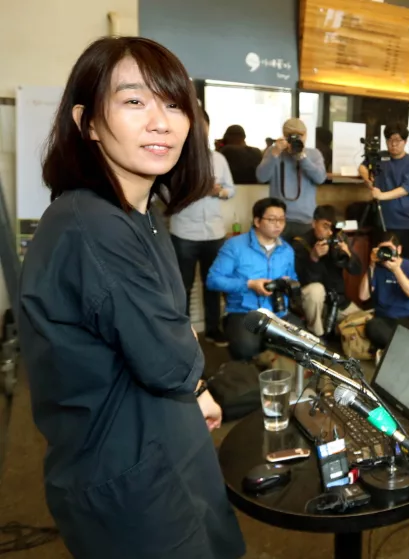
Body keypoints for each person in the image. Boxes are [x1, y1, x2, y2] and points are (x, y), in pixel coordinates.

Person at [18, 36, 245, 558]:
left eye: (174, 102)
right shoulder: (91, 226)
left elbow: (170, 344)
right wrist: (188, 360)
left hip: (170, 447)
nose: (161, 121)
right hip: (131, 484)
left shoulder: (143, 214)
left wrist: (195, 379)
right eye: (134, 101)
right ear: (88, 123)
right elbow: (170, 359)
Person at [170, 110, 234, 347]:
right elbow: (166, 195)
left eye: (202, 125)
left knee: (213, 284)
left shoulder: (219, 159)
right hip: (184, 232)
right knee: (182, 287)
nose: (199, 130)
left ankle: (213, 330)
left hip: (214, 233)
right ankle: (183, 334)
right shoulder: (174, 157)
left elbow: (231, 190)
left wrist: (218, 191)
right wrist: (193, 189)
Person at [207, 198, 300, 361]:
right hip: (244, 312)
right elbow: (213, 280)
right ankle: (248, 379)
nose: (278, 224)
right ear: (257, 221)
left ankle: (278, 374)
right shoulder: (234, 246)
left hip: (279, 312)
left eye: (282, 219)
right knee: (246, 348)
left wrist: (288, 283)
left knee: (302, 345)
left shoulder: (287, 250)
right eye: (272, 219)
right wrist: (249, 284)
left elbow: (293, 278)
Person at [291, 205, 363, 337]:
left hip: (336, 300)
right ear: (313, 223)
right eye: (325, 226)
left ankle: (333, 328)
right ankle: (317, 336)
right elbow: (302, 280)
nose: (329, 232)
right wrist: (314, 258)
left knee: (364, 322)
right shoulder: (301, 243)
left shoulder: (339, 238)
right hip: (310, 302)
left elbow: (357, 271)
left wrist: (348, 255)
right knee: (315, 290)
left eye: (332, 227)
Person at [256, 118, 327, 242]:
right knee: (277, 259)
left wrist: (302, 158)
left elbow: (320, 178)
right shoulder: (274, 152)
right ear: (284, 136)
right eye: (292, 136)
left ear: (306, 135)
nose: (297, 140)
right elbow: (261, 177)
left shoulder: (313, 154)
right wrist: (275, 153)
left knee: (304, 259)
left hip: (306, 219)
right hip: (278, 219)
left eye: (300, 135)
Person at [358, 124, 409, 259]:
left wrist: (381, 195)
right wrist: (368, 181)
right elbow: (362, 167)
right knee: (379, 259)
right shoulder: (380, 157)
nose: (393, 144)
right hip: (381, 219)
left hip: (403, 222)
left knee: (402, 261)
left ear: (405, 141)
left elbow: (406, 188)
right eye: (389, 140)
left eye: (397, 140)